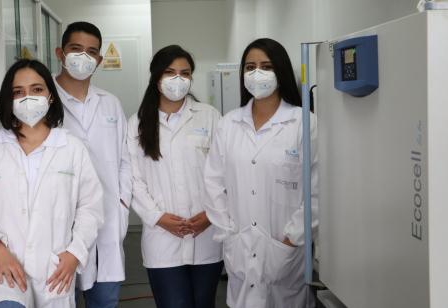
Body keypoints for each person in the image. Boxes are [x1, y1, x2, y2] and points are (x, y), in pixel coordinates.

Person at [0, 59, 104, 308]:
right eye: (18, 92)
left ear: (51, 96)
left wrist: (75, 253)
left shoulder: (72, 149)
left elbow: (91, 208)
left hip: (53, 268)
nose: (28, 98)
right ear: (8, 100)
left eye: (36, 90)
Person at [204, 38, 319, 307]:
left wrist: (292, 238)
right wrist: (227, 232)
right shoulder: (229, 123)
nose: (257, 74)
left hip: (287, 247)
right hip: (239, 244)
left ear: (281, 71)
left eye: (266, 66)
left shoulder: (304, 123)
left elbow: (318, 188)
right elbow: (212, 182)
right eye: (250, 67)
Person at [127, 45, 223, 308]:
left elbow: (225, 174)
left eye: (185, 73)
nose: (177, 80)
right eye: (170, 72)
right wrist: (158, 217)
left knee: (204, 303)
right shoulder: (136, 123)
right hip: (162, 238)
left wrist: (210, 215)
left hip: (206, 233)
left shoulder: (210, 117)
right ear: (156, 77)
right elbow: (132, 179)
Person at [53, 21, 132, 308]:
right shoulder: (43, 99)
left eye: (91, 52)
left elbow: (125, 161)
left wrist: (122, 207)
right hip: (59, 230)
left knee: (105, 301)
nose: (84, 57)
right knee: (63, 299)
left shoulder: (110, 103)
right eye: (76, 49)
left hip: (107, 225)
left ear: (99, 60)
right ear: (60, 53)